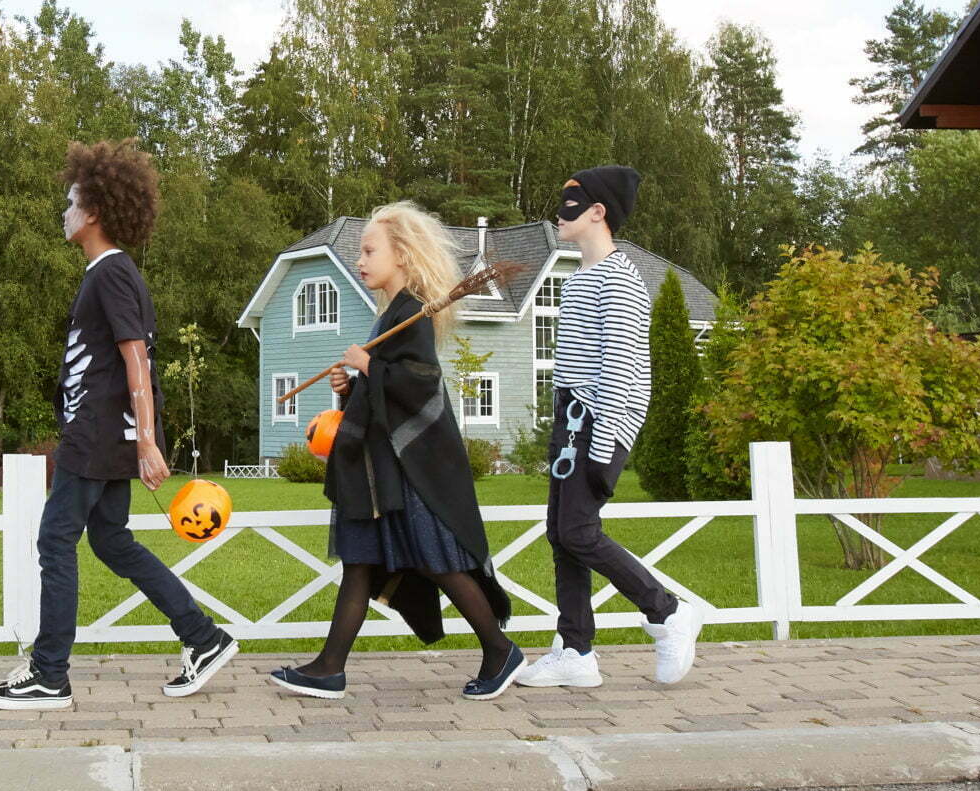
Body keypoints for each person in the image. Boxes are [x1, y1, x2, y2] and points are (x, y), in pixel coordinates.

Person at [0, 140, 237, 711]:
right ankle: (203, 637)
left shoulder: (111, 273)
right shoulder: (107, 273)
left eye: (71, 201)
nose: (63, 211)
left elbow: (136, 356)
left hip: (98, 432)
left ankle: (49, 675)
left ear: (94, 211)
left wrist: (146, 441)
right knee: (112, 540)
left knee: (55, 539)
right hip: (104, 429)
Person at [268, 201, 524, 702]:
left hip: (411, 472)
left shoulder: (414, 315)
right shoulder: (390, 313)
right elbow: (384, 395)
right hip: (377, 470)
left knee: (439, 559)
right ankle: (328, 668)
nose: (360, 261)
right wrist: (350, 386)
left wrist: (370, 365)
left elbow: (423, 385)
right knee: (360, 561)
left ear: (402, 254)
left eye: (369, 251)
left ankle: (499, 649)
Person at [518, 164, 703, 688]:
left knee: (578, 530)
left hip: (597, 421)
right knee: (561, 533)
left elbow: (621, 369)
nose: (560, 211)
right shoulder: (581, 278)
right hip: (572, 419)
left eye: (571, 202)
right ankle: (575, 651)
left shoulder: (619, 280)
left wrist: (601, 448)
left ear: (598, 212)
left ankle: (666, 613)